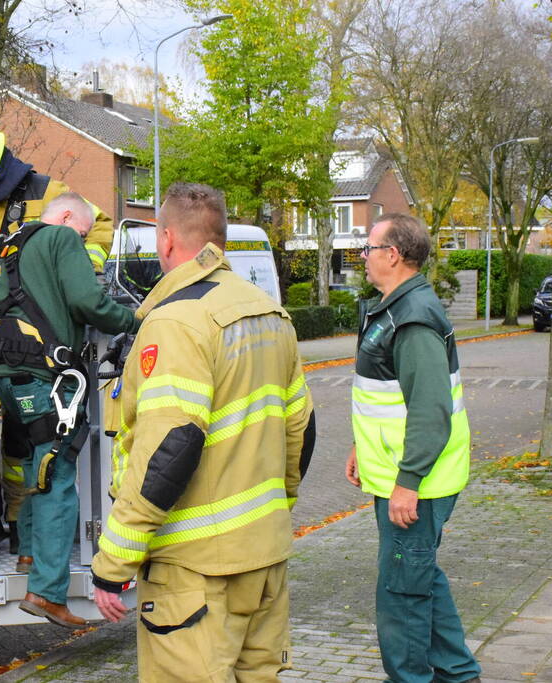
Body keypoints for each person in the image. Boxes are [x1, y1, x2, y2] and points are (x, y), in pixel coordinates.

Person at [91, 182, 315, 680]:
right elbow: (301, 428)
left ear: (166, 240)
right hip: (264, 559)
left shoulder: (177, 323)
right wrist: (275, 511)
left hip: (194, 575)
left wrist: (114, 563)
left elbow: (169, 451)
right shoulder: (269, 312)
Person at [0, 115, 114, 557]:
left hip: (24, 334)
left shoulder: (45, 192)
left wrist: (78, 269)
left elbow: (100, 225)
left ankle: (20, 520)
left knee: (20, 433)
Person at [0, 192, 138, 628]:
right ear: (68, 216)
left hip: (3, 369)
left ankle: (28, 552)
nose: (84, 241)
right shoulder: (61, 239)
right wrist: (135, 320)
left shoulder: (12, 242)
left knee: (36, 461)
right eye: (85, 233)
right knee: (57, 471)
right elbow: (87, 302)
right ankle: (47, 592)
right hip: (41, 371)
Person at [345, 213, 481, 683]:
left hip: (419, 484)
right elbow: (386, 395)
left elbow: (429, 409)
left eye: (368, 248)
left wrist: (409, 482)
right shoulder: (392, 308)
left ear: (393, 255)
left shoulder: (414, 317)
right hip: (404, 476)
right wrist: (362, 446)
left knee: (401, 590)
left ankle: (410, 678)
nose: (363, 257)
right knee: (419, 576)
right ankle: (459, 674)